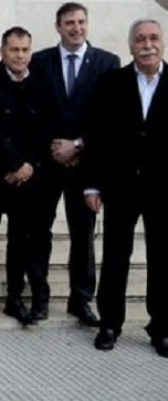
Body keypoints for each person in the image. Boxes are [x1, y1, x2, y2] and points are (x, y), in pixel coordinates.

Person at [30, 2, 119, 326]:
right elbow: (34, 112)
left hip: (86, 165)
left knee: (83, 234)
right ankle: (39, 296)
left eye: (81, 22)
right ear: (58, 27)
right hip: (48, 162)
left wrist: (78, 145)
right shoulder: (40, 62)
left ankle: (81, 299)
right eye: (69, 23)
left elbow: (109, 118)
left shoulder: (107, 63)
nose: (76, 28)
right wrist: (53, 147)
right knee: (39, 231)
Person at [88, 18, 168, 358]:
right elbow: (96, 137)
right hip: (120, 185)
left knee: (163, 258)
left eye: (153, 38)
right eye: (140, 39)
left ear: (162, 43)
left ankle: (162, 327)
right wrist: (91, 185)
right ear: (131, 45)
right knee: (115, 256)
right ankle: (110, 323)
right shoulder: (111, 83)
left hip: (163, 188)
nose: (147, 45)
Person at [0, 27, 51, 325]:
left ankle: (14, 298)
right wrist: (14, 164)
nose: (20, 56)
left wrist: (28, 165)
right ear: (2, 51)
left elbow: (44, 129)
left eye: (25, 50)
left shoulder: (41, 82)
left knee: (20, 242)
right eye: (14, 50)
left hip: (27, 178)